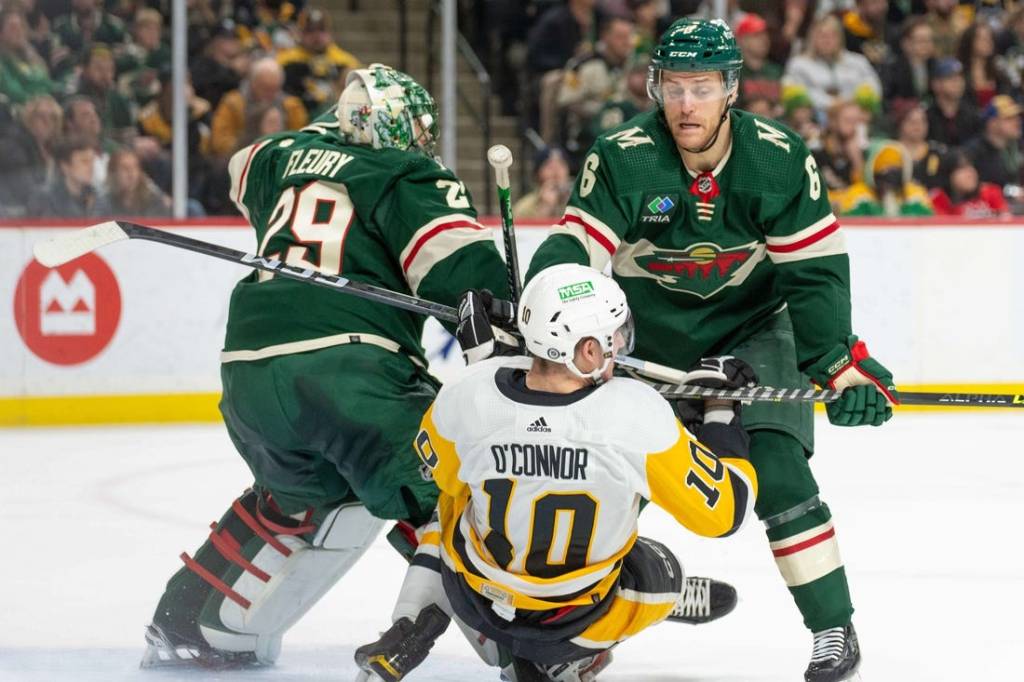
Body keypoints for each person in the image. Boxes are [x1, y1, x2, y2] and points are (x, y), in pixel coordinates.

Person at [462, 19, 899, 682]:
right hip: (644, 339)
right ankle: (586, 625)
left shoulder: (777, 159)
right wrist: (538, 303)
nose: (685, 103)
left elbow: (813, 272)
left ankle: (833, 627)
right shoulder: (625, 154)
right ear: (654, 86)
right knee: (590, 474)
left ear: (730, 89)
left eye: (701, 87)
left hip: (754, 331)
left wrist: (837, 361)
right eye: (673, 86)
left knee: (779, 471)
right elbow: (578, 245)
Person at [140, 63, 511, 669]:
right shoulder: (408, 174)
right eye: (415, 130)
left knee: (296, 498)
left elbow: (240, 170)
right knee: (446, 485)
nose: (421, 143)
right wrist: (512, 319)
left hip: (248, 378)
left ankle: (186, 623)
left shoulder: (279, 154)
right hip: (352, 374)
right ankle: (516, 636)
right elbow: (466, 284)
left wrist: (334, 132)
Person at [354, 264, 756, 682]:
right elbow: (728, 513)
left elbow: (450, 467)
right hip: (577, 619)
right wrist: (721, 415)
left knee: (455, 502)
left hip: (476, 598)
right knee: (657, 556)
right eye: (614, 337)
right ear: (587, 351)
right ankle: (570, 660)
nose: (619, 346)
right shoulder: (636, 414)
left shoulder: (466, 393)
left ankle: (409, 623)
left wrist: (485, 362)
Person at [782, 14, 882, 118]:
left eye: (832, 36)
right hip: (814, 117)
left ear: (840, 38)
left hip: (854, 116)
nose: (827, 41)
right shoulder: (798, 64)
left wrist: (849, 103)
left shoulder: (858, 62)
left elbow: (874, 88)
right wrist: (830, 104)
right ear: (812, 38)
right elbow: (794, 93)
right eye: (822, 35)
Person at [210, 56, 308, 157]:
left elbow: (301, 141)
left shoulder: (292, 106)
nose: (270, 94)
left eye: (275, 89)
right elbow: (220, 143)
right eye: (265, 88)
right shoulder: (233, 103)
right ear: (252, 83)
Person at [277, 7, 361, 117]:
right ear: (300, 33)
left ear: (330, 33)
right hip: (298, 120)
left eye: (321, 30)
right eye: (310, 30)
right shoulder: (285, 61)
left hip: (335, 117)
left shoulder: (346, 62)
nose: (316, 36)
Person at [835, 139, 934, 216]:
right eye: (883, 169)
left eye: (894, 168)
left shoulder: (916, 196)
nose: (889, 173)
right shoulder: (858, 196)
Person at [26, 135, 100, 217]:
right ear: (65, 166)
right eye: (84, 161)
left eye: (92, 161)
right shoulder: (44, 200)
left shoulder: (99, 198)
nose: (91, 167)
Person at [965, 94, 1022, 188]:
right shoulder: (973, 152)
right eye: (1009, 118)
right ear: (992, 123)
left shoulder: (1014, 146)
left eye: (1017, 117)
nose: (1017, 122)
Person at [929, 150, 1009, 217]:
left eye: (971, 166)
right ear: (948, 175)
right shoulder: (937, 198)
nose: (970, 173)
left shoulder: (990, 192)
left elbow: (1006, 223)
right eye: (962, 168)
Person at [95, 147, 171, 217]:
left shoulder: (153, 201)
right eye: (125, 168)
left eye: (135, 167)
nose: (131, 173)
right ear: (114, 172)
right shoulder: (104, 202)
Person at [925, 57, 981, 147]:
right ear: (936, 84)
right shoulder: (926, 117)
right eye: (951, 78)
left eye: (960, 77)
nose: (958, 82)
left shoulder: (973, 115)